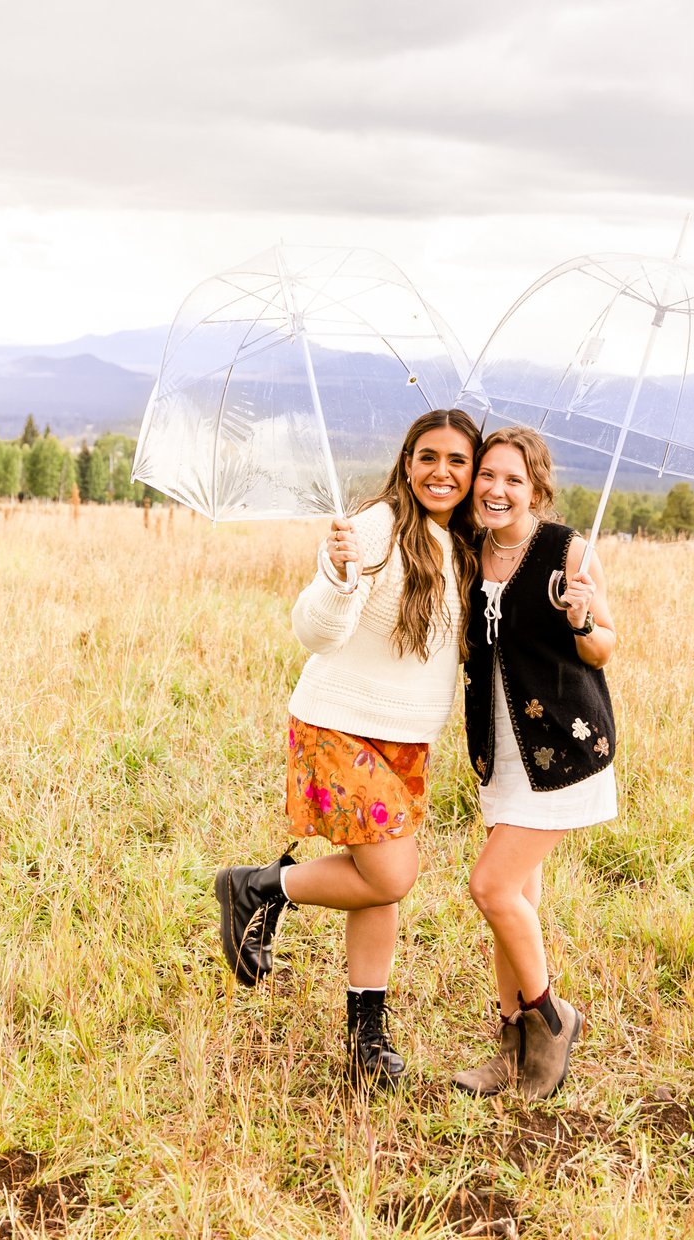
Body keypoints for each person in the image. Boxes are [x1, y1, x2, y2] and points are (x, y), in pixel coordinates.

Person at [216, 408, 481, 1088]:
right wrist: (337, 579)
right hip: (339, 724)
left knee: (375, 888)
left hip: (406, 739)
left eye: (457, 460)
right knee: (391, 875)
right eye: (428, 457)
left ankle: (367, 1038)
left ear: (474, 471)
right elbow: (315, 630)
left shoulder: (466, 545)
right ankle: (261, 889)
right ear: (407, 461)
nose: (441, 472)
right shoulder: (373, 527)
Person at [455, 426, 617, 1100]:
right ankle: (512, 1044)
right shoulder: (466, 552)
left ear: (537, 488)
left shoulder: (567, 551)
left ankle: (553, 1018)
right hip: (501, 754)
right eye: (487, 476)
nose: (497, 489)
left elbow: (605, 647)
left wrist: (583, 619)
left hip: (566, 750)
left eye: (513, 480)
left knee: (491, 887)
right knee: (514, 901)